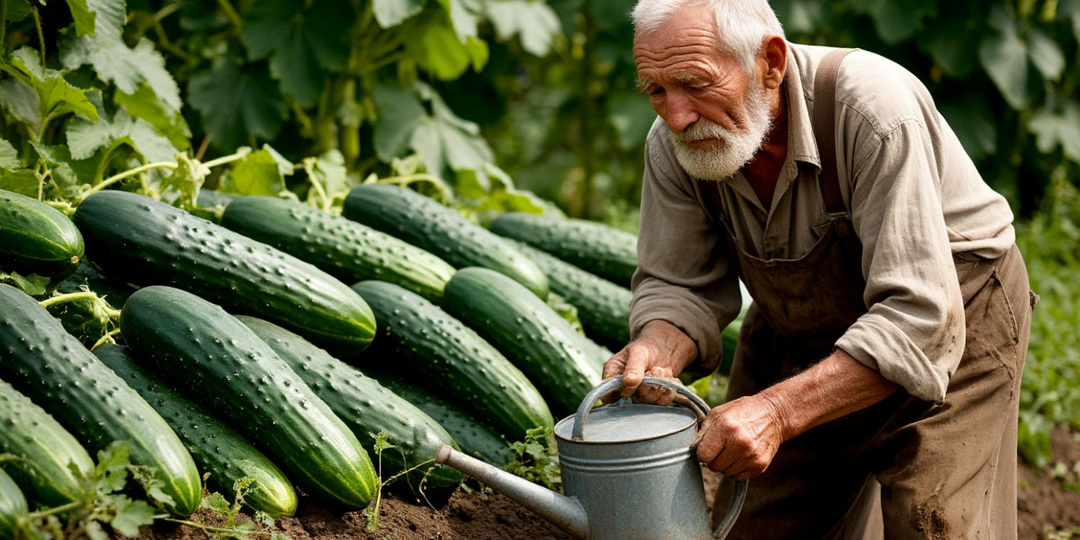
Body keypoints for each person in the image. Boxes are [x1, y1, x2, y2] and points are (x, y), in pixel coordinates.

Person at [602, 0, 1037, 538]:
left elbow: (919, 315)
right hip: (801, 331)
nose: (676, 115)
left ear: (770, 63)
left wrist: (777, 413)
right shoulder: (676, 146)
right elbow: (679, 284)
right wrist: (658, 348)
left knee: (934, 522)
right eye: (656, 90)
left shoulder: (872, 109)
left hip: (952, 324)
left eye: (695, 83)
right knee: (757, 530)